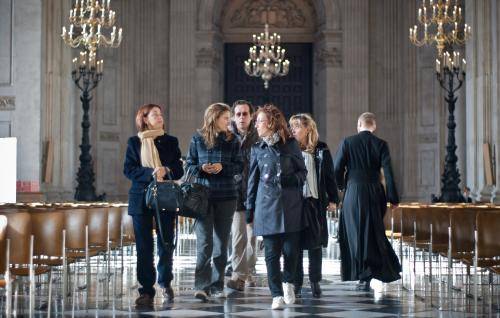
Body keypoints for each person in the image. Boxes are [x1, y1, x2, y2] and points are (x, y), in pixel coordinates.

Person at [246, 104, 307, 310]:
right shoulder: (256, 148)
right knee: (271, 253)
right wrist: (249, 209)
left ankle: (289, 283)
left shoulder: (290, 145)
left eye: (260, 121)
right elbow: (252, 181)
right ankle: (276, 294)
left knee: (291, 251)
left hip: (291, 204)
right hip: (266, 205)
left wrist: (291, 180)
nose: (257, 125)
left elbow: (303, 172)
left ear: (271, 123)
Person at [123, 104, 184, 306]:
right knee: (144, 246)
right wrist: (150, 173)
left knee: (166, 243)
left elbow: (179, 169)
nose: (160, 117)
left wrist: (166, 170)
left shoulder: (171, 141)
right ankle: (146, 291)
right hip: (140, 198)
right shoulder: (134, 142)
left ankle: (165, 282)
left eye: (160, 114)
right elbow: (129, 170)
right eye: (154, 114)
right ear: (145, 119)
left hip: (165, 197)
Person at [333, 112, 401, 290]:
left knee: (354, 232)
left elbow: (337, 169)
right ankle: (369, 273)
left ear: (358, 124)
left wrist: (341, 187)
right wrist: (393, 198)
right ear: (374, 126)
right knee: (372, 232)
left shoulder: (347, 142)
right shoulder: (381, 144)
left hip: (353, 191)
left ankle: (361, 272)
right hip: (374, 191)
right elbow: (389, 173)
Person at [186, 103, 243, 301]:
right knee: (204, 244)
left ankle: (218, 285)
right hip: (202, 198)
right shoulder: (197, 139)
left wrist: (222, 167)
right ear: (214, 118)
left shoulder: (233, 140)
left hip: (227, 197)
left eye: (229, 118)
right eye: (226, 118)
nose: (230, 121)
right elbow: (189, 166)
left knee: (221, 244)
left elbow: (239, 166)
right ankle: (201, 286)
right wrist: (202, 168)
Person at [289, 113, 339, 298]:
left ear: (308, 129)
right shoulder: (289, 148)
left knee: (315, 244)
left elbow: (329, 176)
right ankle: (297, 283)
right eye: (292, 126)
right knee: (295, 245)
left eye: (297, 127)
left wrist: (333, 199)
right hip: (294, 204)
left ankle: (315, 281)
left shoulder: (321, 148)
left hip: (314, 202)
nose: (293, 130)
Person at [226, 100, 259, 291]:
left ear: (251, 116)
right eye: (238, 114)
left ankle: (249, 271)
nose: (241, 117)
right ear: (233, 117)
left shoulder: (258, 138)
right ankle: (238, 275)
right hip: (235, 194)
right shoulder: (228, 138)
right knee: (238, 237)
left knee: (252, 240)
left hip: (255, 195)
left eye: (245, 114)